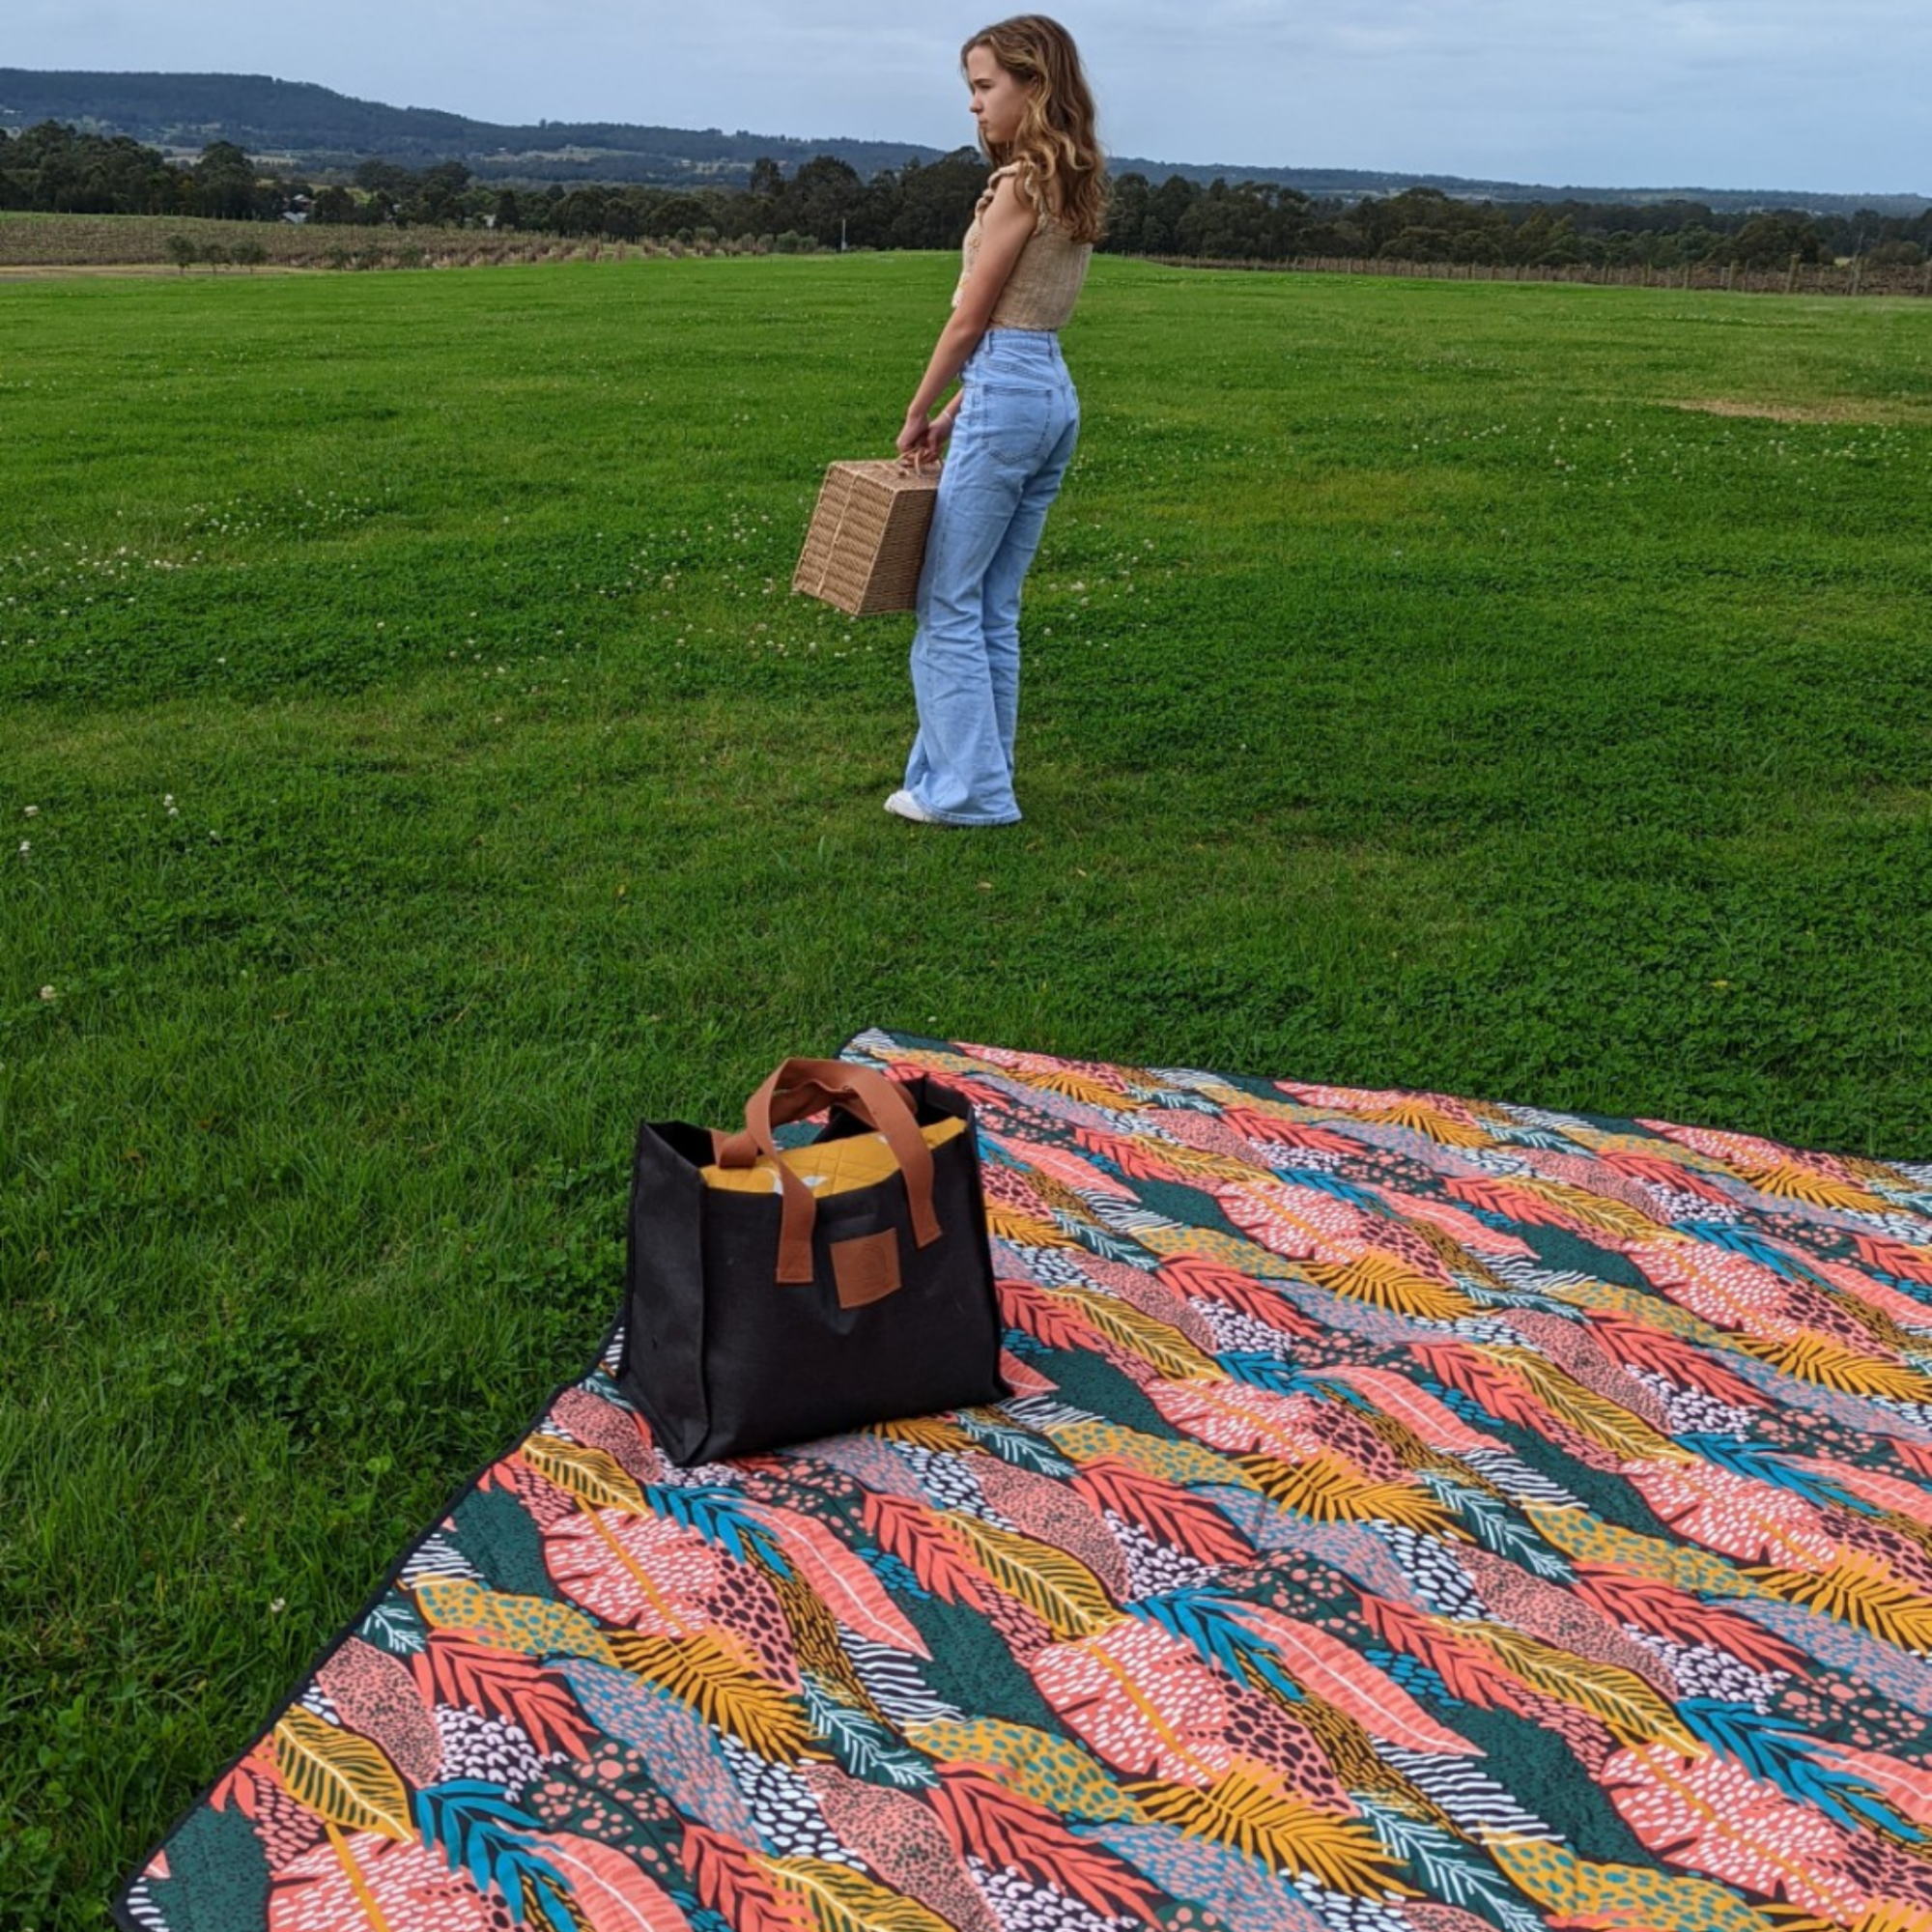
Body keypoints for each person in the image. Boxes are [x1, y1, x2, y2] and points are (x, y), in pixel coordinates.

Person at [885, 14, 1107, 827]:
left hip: (1010, 387)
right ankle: (982, 774)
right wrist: (956, 413)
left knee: (946, 600)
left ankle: (971, 792)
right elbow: (1022, 325)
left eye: (985, 87)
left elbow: (973, 322)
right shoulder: (1070, 178)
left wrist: (917, 410)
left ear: (1033, 85)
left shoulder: (1021, 184)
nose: (974, 106)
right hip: (1046, 391)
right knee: (990, 605)